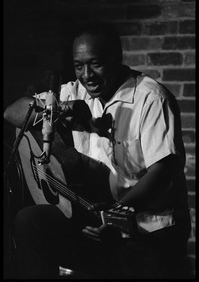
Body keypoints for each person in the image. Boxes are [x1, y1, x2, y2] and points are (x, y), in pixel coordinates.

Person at [4, 21, 191, 279]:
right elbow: (12, 112)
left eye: (96, 63)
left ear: (117, 58)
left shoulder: (151, 98)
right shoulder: (76, 92)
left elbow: (164, 170)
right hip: (95, 223)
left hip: (147, 232)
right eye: (79, 65)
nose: (87, 74)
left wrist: (115, 215)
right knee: (30, 221)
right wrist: (61, 112)